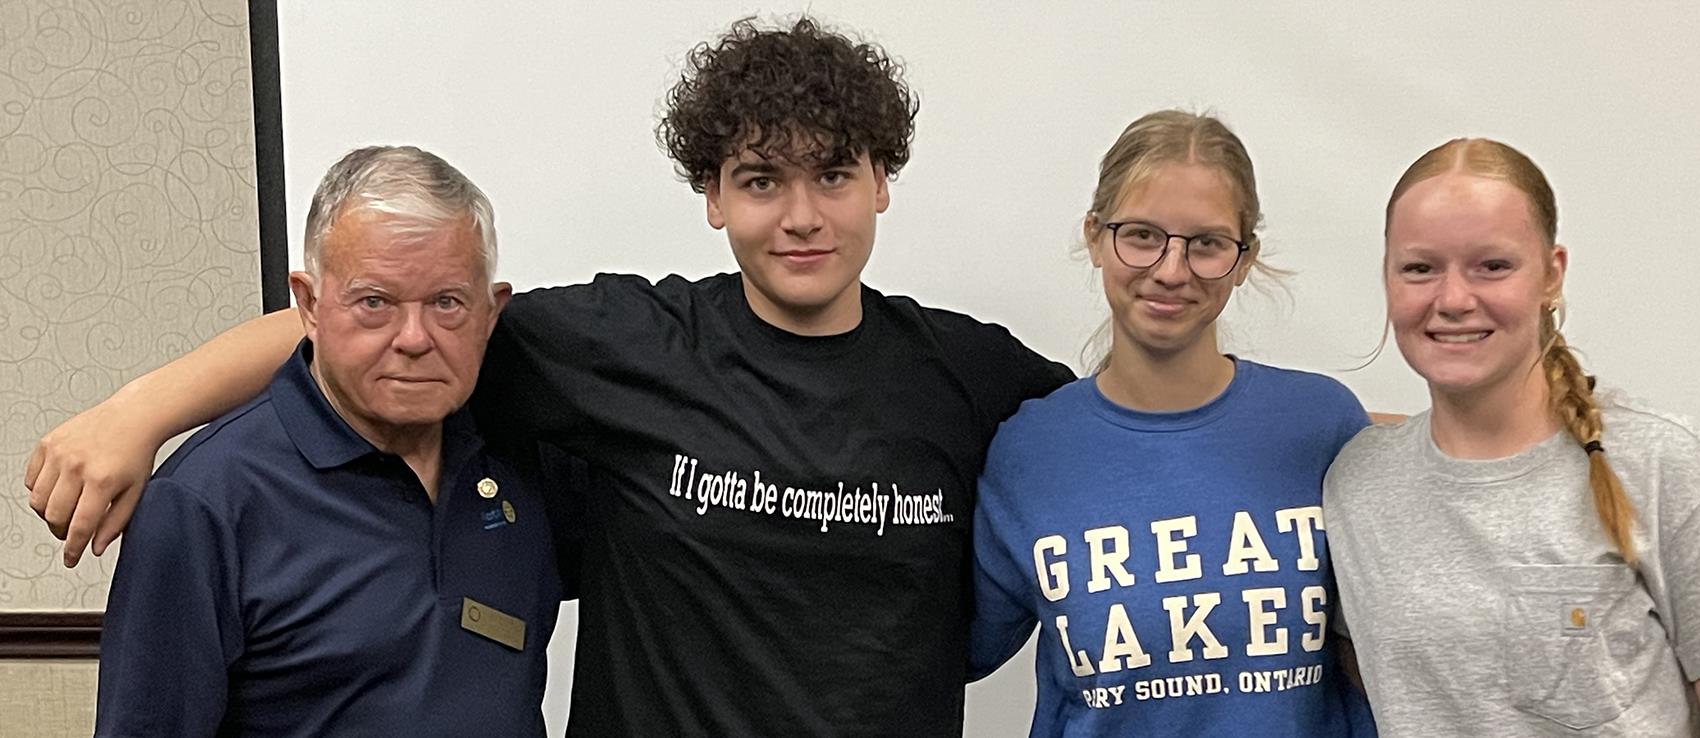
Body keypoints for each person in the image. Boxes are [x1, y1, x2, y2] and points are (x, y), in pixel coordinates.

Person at [28, 17, 1070, 736]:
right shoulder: (628, 342)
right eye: (761, 180)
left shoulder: (968, 373)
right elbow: (378, 319)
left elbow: (1122, 434)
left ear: (883, 179)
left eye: (834, 174)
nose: (801, 216)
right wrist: (139, 413)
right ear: (713, 195)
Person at [1323, 138, 1700, 736]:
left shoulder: (1667, 466)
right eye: (1420, 268)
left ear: (1552, 275)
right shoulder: (1359, 484)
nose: (1453, 300)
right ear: (1388, 277)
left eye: (1492, 266)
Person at [94, 146, 571, 736]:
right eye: (375, 303)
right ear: (309, 305)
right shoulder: (205, 501)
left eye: (446, 303)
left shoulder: (529, 459)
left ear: (491, 312)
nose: (415, 338)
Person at [968, 110, 1374, 736]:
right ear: (1095, 236)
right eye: (1141, 235)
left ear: (1244, 259)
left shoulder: (1324, 427)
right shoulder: (1027, 452)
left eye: (1207, 244)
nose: (1172, 270)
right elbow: (938, 651)